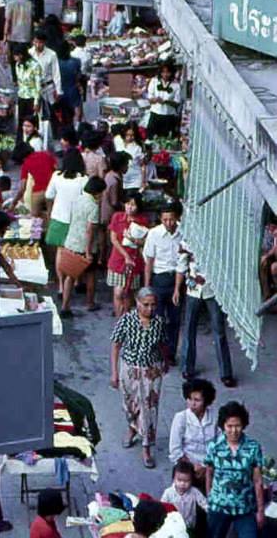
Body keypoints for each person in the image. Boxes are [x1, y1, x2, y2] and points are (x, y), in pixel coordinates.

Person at [110, 286, 169, 468]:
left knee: (148, 407)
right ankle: (132, 428)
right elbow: (116, 345)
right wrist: (114, 372)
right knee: (130, 404)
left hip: (151, 370)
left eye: (153, 305)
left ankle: (146, 447)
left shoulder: (159, 322)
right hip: (129, 369)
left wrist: (165, 362)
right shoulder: (127, 320)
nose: (150, 309)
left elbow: (162, 344)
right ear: (137, 303)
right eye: (146, 305)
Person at [175, 245, 236, 387]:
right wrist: (177, 289)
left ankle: (226, 372)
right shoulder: (189, 239)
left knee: (219, 331)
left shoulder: (217, 239)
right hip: (193, 289)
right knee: (189, 329)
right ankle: (187, 368)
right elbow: (181, 265)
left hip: (213, 290)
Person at [205, 401, 264, 538]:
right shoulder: (214, 446)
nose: (233, 430)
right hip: (219, 506)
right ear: (223, 426)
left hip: (245, 507)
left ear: (243, 425)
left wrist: (260, 510)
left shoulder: (253, 447)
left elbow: (257, 481)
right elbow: (209, 473)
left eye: (237, 426)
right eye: (229, 426)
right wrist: (210, 498)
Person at [58, 175, 105, 315]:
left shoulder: (77, 200)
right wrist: (89, 251)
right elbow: (90, 230)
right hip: (85, 246)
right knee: (90, 275)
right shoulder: (93, 206)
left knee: (70, 276)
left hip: (71, 242)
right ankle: (90, 303)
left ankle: (65, 306)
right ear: (97, 192)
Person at [143, 200, 183, 363]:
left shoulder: (184, 233)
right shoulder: (154, 234)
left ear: (178, 218)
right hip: (159, 279)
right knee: (157, 319)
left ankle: (171, 353)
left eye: (171, 219)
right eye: (165, 219)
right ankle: (157, 351)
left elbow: (184, 261)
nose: (168, 223)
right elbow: (149, 261)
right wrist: (147, 288)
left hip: (177, 279)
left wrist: (178, 288)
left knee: (174, 319)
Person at [45, 153, 87, 293]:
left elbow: (49, 195)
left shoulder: (56, 176)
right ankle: (75, 282)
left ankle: (62, 287)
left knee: (60, 252)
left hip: (58, 218)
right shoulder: (83, 179)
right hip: (76, 220)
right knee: (75, 253)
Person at [107, 191, 150, 318]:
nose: (129, 207)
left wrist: (133, 240)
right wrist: (125, 255)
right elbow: (113, 239)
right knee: (118, 292)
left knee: (129, 292)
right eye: (127, 204)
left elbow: (145, 242)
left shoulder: (143, 221)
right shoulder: (117, 217)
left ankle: (126, 317)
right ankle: (119, 318)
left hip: (134, 260)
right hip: (118, 259)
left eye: (133, 205)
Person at [169, 378, 218, 488]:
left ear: (206, 401)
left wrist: (205, 467)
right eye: (189, 399)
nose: (192, 404)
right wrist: (192, 467)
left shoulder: (216, 417)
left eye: (197, 400)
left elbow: (221, 446)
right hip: (187, 468)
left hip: (211, 466)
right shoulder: (181, 418)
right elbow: (175, 449)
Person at [10, 143, 58, 218]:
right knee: (51, 215)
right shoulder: (47, 154)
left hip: (37, 192)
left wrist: (14, 202)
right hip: (51, 190)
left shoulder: (25, 163)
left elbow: (23, 188)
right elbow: (56, 170)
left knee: (34, 217)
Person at [161, 459, 208, 532]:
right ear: (173, 479)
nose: (182, 483)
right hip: (172, 524)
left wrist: (209, 510)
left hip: (189, 524)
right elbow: (162, 506)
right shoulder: (168, 492)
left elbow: (204, 503)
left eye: (186, 481)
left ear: (192, 480)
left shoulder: (194, 492)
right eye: (179, 480)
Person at [29, 30, 62, 128]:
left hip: (47, 87)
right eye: (36, 42)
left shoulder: (52, 54)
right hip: (34, 88)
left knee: (50, 114)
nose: (38, 45)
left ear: (44, 42)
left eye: (40, 42)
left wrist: (58, 90)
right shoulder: (30, 53)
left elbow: (56, 73)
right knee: (34, 113)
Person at [4, 0, 34, 77]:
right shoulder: (30, 3)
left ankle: (15, 78)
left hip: (13, 34)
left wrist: (5, 35)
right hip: (26, 34)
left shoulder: (10, 2)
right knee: (25, 56)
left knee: (13, 58)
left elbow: (8, 20)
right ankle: (25, 75)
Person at [12, 44, 42, 135]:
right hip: (22, 96)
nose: (15, 58)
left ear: (21, 55)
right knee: (21, 122)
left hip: (32, 97)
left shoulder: (35, 65)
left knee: (31, 122)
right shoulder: (18, 65)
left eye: (16, 56)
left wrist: (36, 101)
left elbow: (38, 85)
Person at [146, 62, 181, 139]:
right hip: (155, 114)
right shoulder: (154, 81)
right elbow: (149, 98)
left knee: (167, 138)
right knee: (151, 137)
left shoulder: (176, 85)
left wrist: (166, 102)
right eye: (163, 72)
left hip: (169, 116)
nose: (165, 75)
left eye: (168, 72)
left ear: (171, 73)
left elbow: (177, 103)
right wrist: (155, 100)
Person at [114, 122, 146, 192]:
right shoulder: (117, 140)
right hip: (121, 179)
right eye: (127, 135)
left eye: (132, 135)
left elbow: (142, 165)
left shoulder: (138, 147)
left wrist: (143, 182)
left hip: (135, 181)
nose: (130, 138)